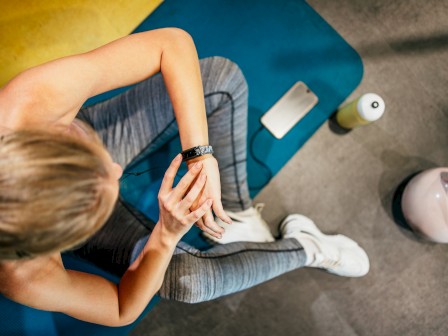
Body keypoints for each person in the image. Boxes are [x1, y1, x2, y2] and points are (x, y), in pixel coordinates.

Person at [0, 28, 369, 327]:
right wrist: (165, 235)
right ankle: (306, 247)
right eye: (105, 193)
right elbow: (121, 308)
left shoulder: (26, 104)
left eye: (94, 162)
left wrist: (200, 153)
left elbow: (171, 43)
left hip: (74, 137)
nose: (117, 171)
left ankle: (236, 213)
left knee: (221, 77)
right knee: (185, 281)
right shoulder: (25, 276)